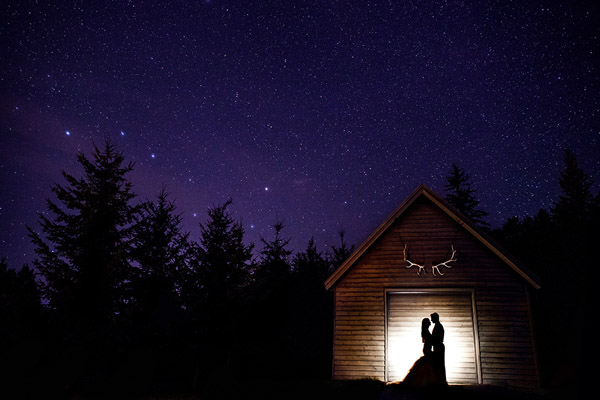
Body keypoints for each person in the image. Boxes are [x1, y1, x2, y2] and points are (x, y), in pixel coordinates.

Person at [402, 318, 435, 387]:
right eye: (429, 322)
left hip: (427, 348)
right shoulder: (426, 331)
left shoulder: (425, 331)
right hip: (427, 349)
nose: (430, 323)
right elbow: (429, 340)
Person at [430, 312, 447, 385]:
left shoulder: (439, 326)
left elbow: (438, 338)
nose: (431, 320)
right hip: (437, 346)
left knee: (440, 363)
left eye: (432, 318)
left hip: (438, 347)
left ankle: (441, 381)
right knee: (439, 363)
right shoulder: (438, 326)